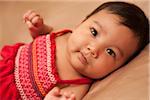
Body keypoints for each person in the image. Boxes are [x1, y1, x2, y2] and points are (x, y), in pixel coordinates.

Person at [0, 1, 149, 100]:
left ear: (118, 67)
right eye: (94, 32)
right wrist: (39, 28)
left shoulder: (78, 85)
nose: (93, 49)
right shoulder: (64, 34)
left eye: (110, 52)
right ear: (81, 23)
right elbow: (45, 37)